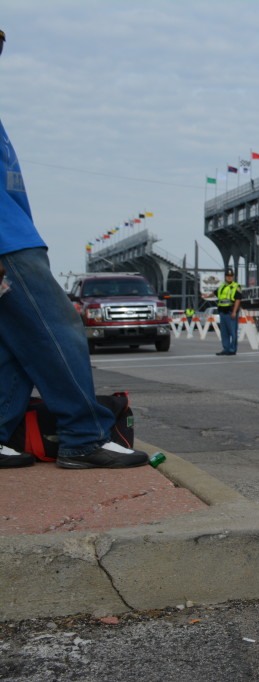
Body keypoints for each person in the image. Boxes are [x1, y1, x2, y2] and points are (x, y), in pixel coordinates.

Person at [0, 28, 148, 469]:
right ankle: (83, 437)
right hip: (9, 241)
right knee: (58, 330)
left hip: (16, 233)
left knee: (18, 346)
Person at [215, 269, 242, 356]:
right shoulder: (222, 286)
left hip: (231, 312)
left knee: (232, 332)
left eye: (231, 276)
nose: (229, 278)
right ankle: (226, 349)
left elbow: (238, 300)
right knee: (224, 332)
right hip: (222, 311)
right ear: (225, 277)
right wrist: (206, 295)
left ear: (233, 277)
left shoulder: (236, 286)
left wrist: (234, 311)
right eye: (227, 276)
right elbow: (215, 293)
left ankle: (232, 349)